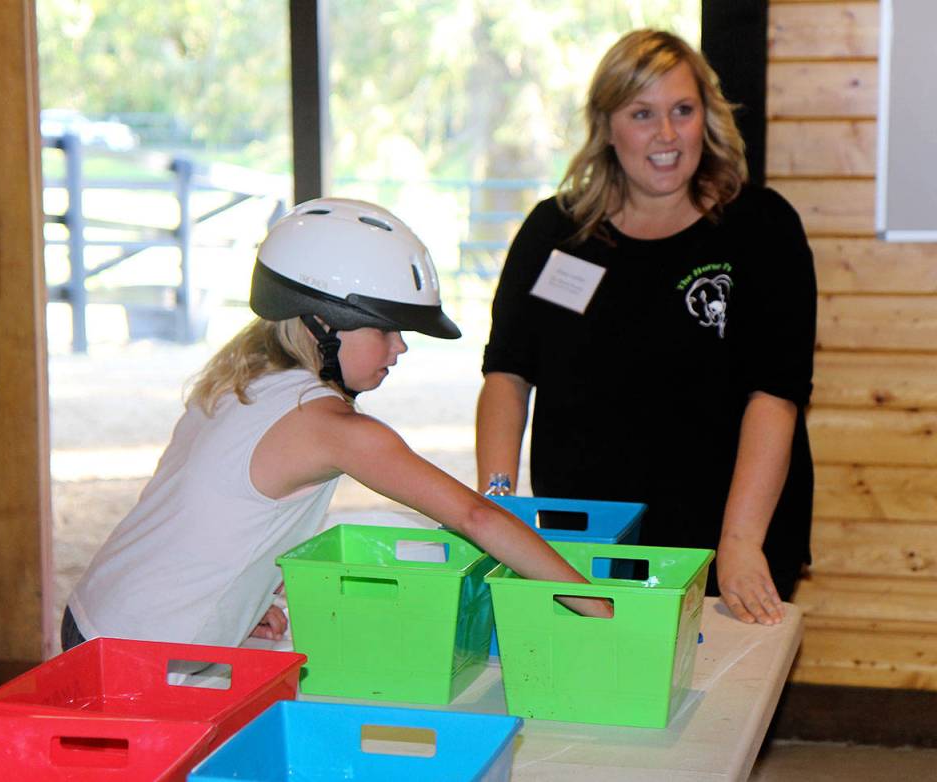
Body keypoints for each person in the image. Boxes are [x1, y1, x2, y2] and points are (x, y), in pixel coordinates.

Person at [63, 197, 611, 653]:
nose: (399, 347)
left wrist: (237, 600)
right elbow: (475, 516)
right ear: (324, 321)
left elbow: (198, 518)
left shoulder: (239, 381)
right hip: (138, 657)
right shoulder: (334, 428)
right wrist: (606, 611)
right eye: (387, 329)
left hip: (99, 617)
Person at [475, 29, 817, 626]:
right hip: (587, 540)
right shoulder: (554, 233)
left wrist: (737, 541)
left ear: (705, 117)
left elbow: (777, 395)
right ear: (607, 125)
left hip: (730, 538)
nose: (666, 135)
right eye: (642, 114)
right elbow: (507, 374)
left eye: (682, 111)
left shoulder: (761, 229)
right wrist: (498, 506)